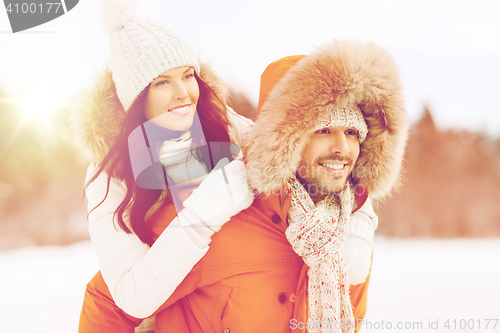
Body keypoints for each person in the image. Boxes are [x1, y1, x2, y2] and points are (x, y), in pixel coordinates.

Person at [77, 40, 408, 332]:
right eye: (323, 131)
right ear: (288, 139)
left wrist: (361, 210)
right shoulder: (218, 209)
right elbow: (110, 301)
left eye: (353, 133)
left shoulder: (346, 238)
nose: (342, 148)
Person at [70, 0, 255, 327]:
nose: (183, 93)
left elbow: (296, 154)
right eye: (162, 82)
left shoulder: (224, 125)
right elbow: (132, 296)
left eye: (187, 75)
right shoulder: (107, 175)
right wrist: (205, 210)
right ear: (137, 98)